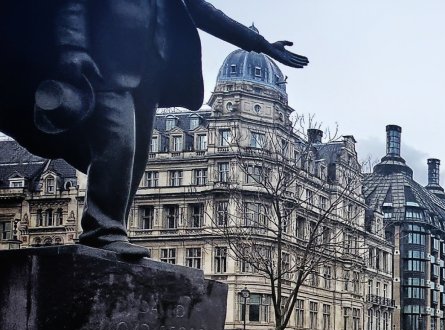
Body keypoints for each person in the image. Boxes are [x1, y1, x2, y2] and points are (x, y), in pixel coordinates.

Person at [0, 1, 307, 260]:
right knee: (118, 142)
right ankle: (102, 230)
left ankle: (112, 226)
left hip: (150, 75)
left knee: (138, 156)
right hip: (106, 63)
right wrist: (71, 48)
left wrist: (261, 45)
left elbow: (204, 12)